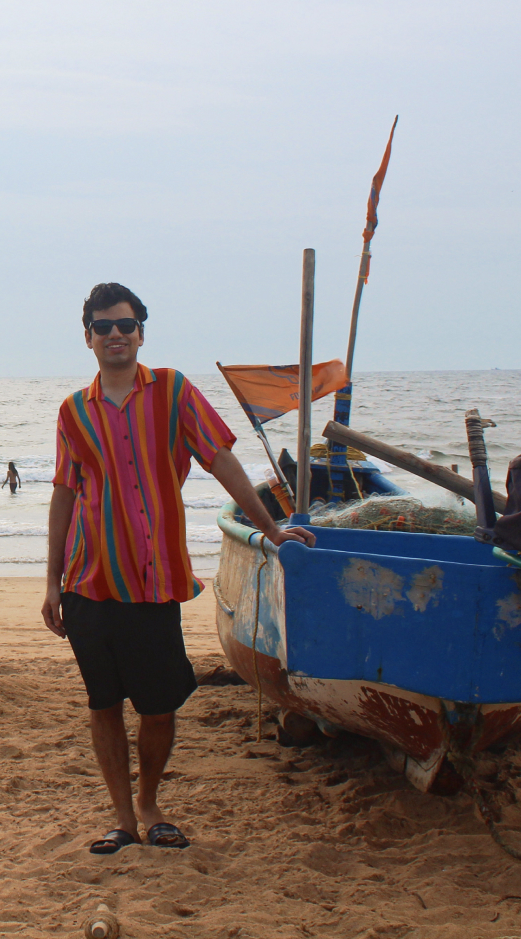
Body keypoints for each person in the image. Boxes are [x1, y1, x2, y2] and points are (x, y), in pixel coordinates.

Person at [41, 282, 314, 855]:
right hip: (89, 583)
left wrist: (271, 528)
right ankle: (121, 817)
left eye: (126, 325)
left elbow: (220, 460)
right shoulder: (73, 411)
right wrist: (50, 582)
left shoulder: (173, 391)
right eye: (103, 327)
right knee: (103, 704)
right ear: (87, 337)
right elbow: (65, 494)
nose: (115, 335)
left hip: (154, 582)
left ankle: (150, 804)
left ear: (141, 331)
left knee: (159, 706)